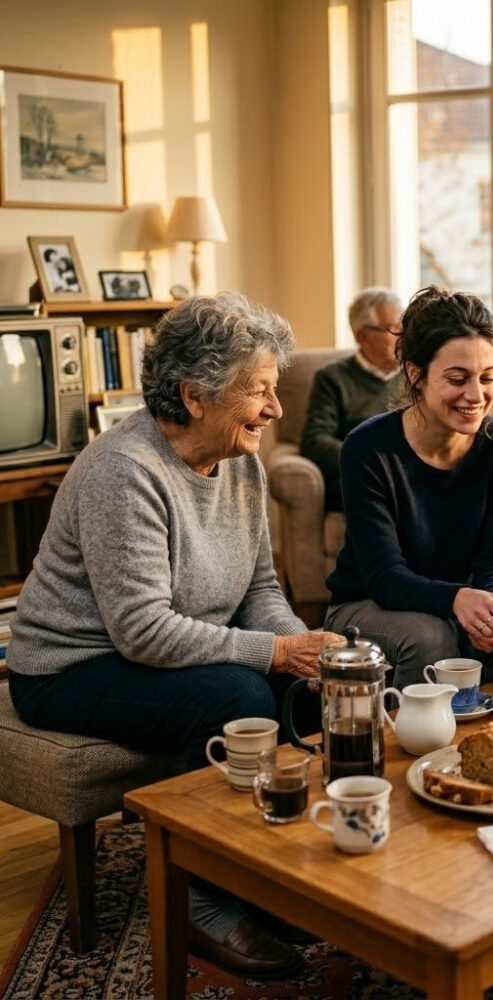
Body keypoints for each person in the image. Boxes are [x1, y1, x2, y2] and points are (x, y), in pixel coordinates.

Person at [6, 292, 344, 981]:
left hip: (154, 652)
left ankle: (265, 871)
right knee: (235, 696)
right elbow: (141, 632)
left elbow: (260, 592)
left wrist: (301, 650)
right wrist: (275, 652)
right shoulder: (122, 471)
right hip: (69, 668)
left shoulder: (240, 459)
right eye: (259, 392)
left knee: (312, 694)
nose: (275, 410)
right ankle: (202, 900)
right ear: (194, 396)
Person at [324, 285, 493, 687]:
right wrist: (458, 601)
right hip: (367, 603)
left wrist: (491, 605)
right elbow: (385, 577)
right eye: (457, 379)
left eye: (487, 378)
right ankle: (420, 749)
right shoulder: (368, 449)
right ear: (415, 374)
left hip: (460, 597)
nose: (476, 395)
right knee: (431, 636)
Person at [300, 287, 405, 511]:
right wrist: (373, 460)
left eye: (404, 326)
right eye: (394, 328)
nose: (403, 336)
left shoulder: (416, 375)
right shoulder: (332, 378)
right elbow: (314, 441)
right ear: (362, 336)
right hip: (363, 478)